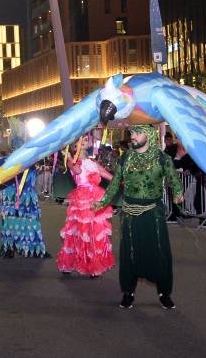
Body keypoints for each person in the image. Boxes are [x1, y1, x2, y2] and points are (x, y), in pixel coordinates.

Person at [95, 125, 183, 310]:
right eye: (132, 133)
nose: (132, 136)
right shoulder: (125, 158)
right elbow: (115, 183)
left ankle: (164, 293)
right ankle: (128, 292)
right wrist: (102, 202)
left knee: (159, 253)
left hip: (153, 213)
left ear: (149, 135)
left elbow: (174, 180)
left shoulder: (162, 158)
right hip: (130, 212)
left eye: (137, 133)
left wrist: (178, 193)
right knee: (130, 253)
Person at [58, 151, 115, 278]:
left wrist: (125, 180)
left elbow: (107, 175)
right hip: (82, 199)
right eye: (81, 141)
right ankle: (72, 262)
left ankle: (93, 263)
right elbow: (77, 171)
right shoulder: (72, 162)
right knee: (81, 231)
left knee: (95, 231)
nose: (83, 143)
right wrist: (68, 156)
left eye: (85, 140)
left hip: (96, 198)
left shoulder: (93, 162)